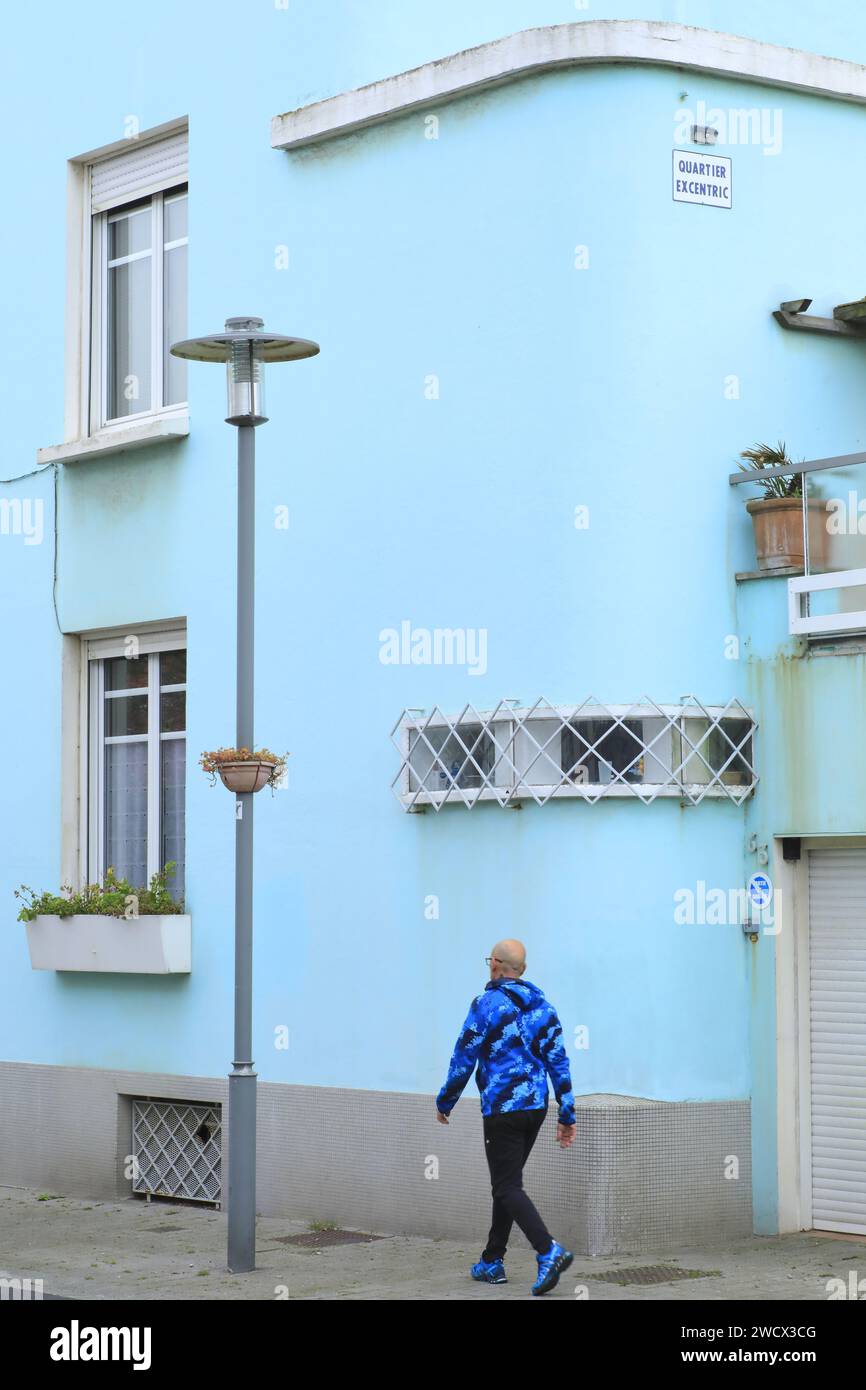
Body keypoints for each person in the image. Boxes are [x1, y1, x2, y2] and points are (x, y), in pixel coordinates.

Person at [435, 939, 577, 1295]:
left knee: (507, 1186)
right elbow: (558, 1061)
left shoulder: (486, 1004)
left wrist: (446, 1100)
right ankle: (491, 1260)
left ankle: (548, 1251)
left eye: (489, 961)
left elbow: (464, 1054)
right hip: (537, 1107)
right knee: (507, 1181)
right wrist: (567, 1113)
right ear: (522, 971)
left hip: (503, 1108)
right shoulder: (543, 1006)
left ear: (495, 965)